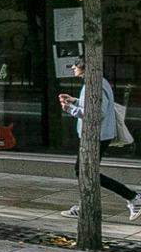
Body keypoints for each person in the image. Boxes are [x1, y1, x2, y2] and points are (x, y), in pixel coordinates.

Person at [60, 60, 141, 222]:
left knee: (85, 172)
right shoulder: (97, 82)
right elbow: (93, 104)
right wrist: (75, 100)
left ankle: (133, 197)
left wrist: (70, 109)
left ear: (86, 67)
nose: (74, 67)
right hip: (97, 135)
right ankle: (85, 206)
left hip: (96, 136)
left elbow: (97, 113)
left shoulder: (94, 84)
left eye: (77, 64)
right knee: (85, 172)